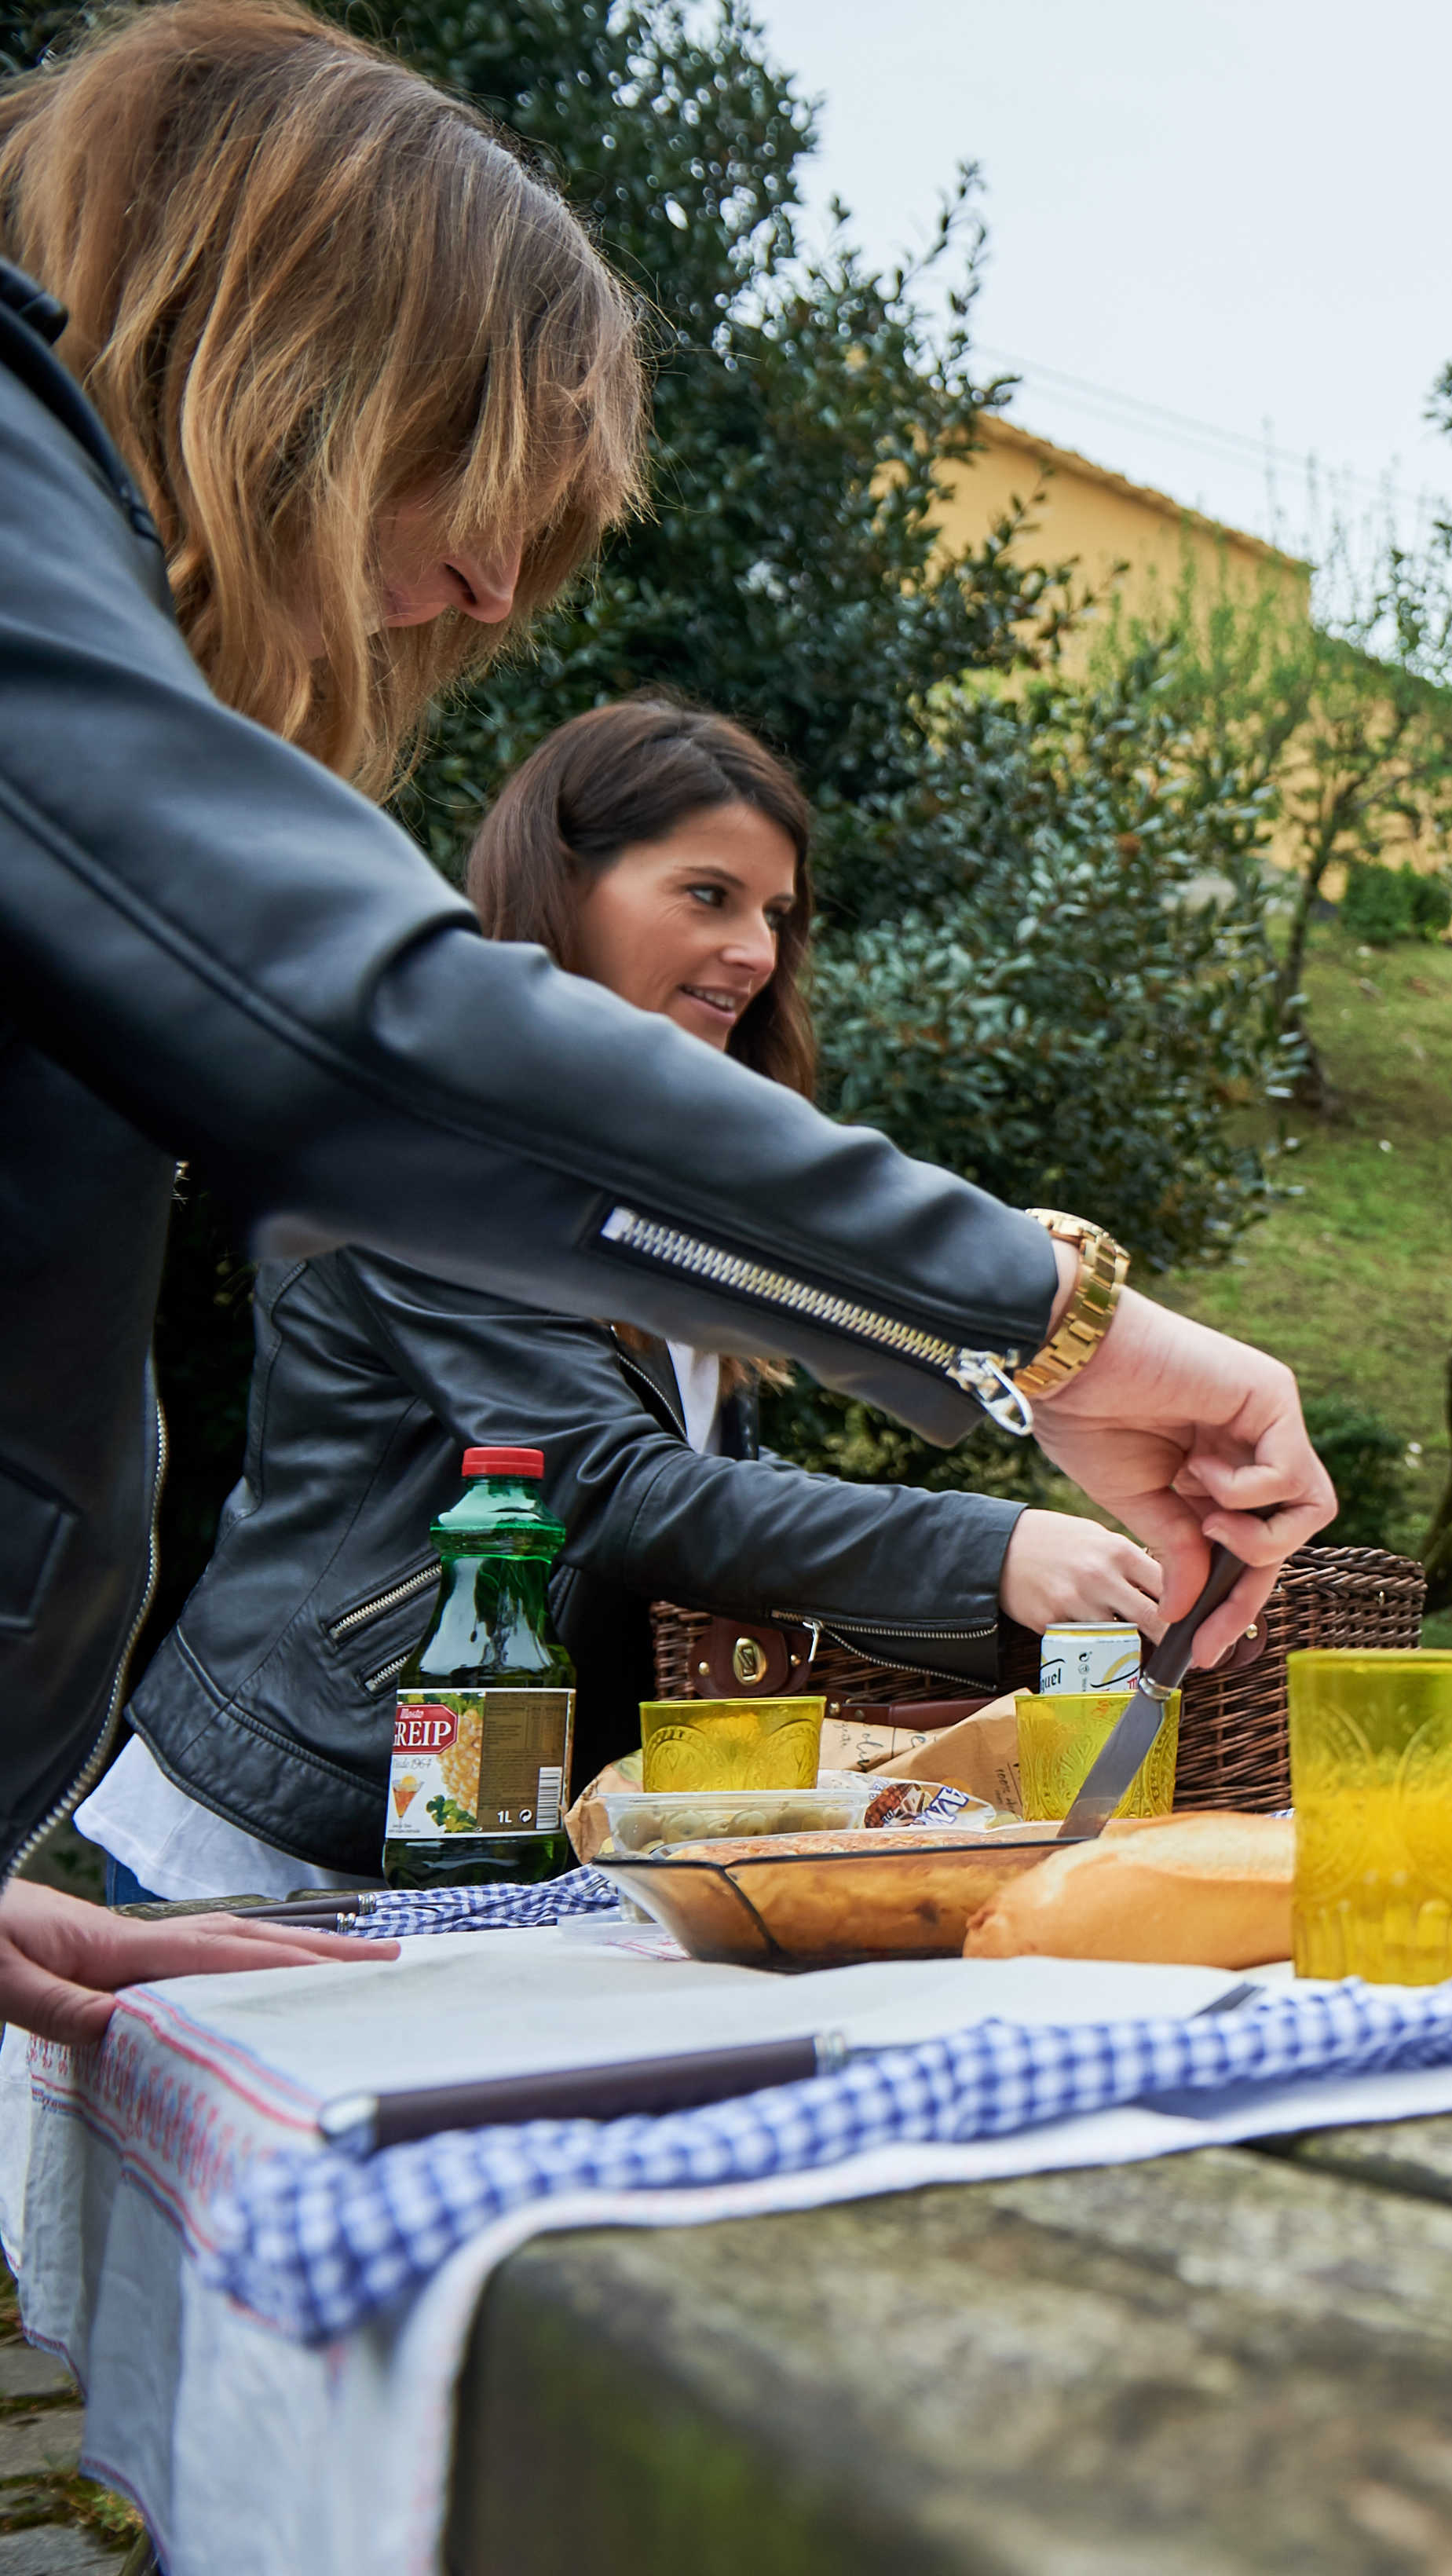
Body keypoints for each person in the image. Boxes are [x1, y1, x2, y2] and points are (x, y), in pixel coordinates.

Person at [0, 2, 1327, 2038]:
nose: (487, 580)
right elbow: (390, 1079)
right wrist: (1039, 1319)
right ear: (288, 343)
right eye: (467, 464)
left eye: (772, 915)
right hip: (307, 1807)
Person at [90, 701, 1176, 1900]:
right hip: (289, 1828)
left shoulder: (676, 1194)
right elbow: (606, 1485)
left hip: (514, 1833)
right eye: (709, 896)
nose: (757, 951)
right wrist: (992, 1549)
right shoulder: (430, 1155)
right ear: (564, 890)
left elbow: (702, 1505)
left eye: (777, 915)